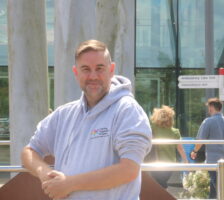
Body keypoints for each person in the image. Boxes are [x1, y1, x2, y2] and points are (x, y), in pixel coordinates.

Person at [21, 39, 152, 200]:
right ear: (76, 73)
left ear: (111, 70)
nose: (93, 76)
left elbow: (129, 170)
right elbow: (29, 151)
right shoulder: (64, 114)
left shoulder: (127, 110)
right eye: (86, 69)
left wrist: (69, 184)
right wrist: (45, 173)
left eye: (99, 68)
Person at [147, 105, 188, 188]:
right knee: (161, 183)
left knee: (158, 184)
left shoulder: (153, 128)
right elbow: (180, 149)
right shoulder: (175, 132)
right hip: (170, 164)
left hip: (155, 162)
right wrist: (186, 161)